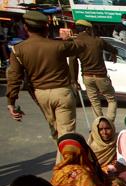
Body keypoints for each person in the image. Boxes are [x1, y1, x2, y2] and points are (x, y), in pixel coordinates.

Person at [7, 11, 84, 139]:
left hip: (41, 95)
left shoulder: (17, 50)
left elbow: (14, 78)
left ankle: (62, 157)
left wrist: (11, 102)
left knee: (55, 131)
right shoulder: (58, 46)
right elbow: (80, 46)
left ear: (25, 27)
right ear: (46, 27)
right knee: (67, 134)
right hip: (62, 92)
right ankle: (66, 158)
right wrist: (70, 38)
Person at [69, 20, 118, 122]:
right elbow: (112, 49)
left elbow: (73, 62)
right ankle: (109, 122)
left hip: (87, 76)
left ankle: (100, 124)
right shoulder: (97, 41)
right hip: (101, 76)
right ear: (87, 29)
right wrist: (114, 54)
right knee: (111, 99)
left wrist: (74, 80)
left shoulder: (75, 43)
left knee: (95, 102)